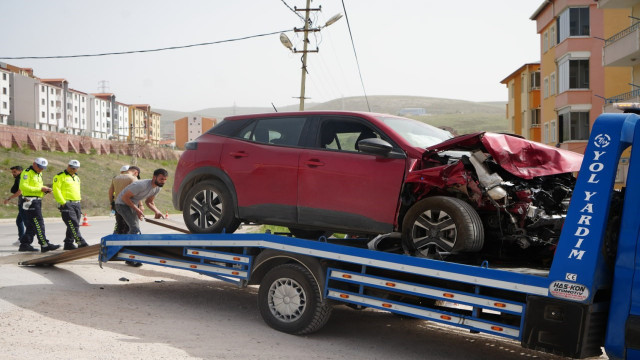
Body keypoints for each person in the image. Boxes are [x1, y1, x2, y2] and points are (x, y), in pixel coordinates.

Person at [18, 157, 60, 252]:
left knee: (32, 225)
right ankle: (44, 244)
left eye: (43, 168)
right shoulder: (27, 172)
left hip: (36, 200)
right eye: (40, 167)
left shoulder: (39, 173)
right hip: (29, 200)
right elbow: (23, 187)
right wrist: (40, 189)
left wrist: (45, 190)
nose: (41, 169)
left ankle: (25, 244)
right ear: (34, 164)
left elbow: (37, 187)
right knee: (39, 222)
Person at [115, 168, 168, 235]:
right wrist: (137, 209)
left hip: (132, 204)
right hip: (121, 204)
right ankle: (128, 244)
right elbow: (125, 198)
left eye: (165, 179)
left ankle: (125, 240)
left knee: (135, 228)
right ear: (154, 177)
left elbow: (149, 202)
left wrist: (157, 211)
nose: (163, 181)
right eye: (161, 179)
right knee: (134, 228)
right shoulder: (141, 185)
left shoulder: (158, 188)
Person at [52, 160, 89, 250]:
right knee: (73, 224)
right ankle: (80, 241)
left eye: (75, 168)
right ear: (68, 166)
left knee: (72, 225)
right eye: (71, 167)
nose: (73, 169)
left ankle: (68, 243)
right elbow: (56, 190)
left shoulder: (76, 177)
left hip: (77, 203)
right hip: (67, 203)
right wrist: (62, 202)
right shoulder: (60, 176)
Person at [108, 165, 141, 234]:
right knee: (131, 226)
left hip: (117, 205)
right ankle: (129, 242)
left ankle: (115, 241)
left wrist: (111, 203)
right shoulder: (133, 178)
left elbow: (110, 192)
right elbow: (137, 193)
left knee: (119, 225)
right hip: (129, 205)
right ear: (136, 173)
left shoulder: (115, 178)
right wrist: (140, 205)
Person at [4, 165, 27, 246]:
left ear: (20, 171)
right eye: (12, 172)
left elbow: (20, 191)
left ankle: (24, 240)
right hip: (23, 202)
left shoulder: (21, 178)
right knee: (20, 221)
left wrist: (9, 198)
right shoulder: (20, 178)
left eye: (14, 172)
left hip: (24, 203)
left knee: (26, 222)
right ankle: (22, 239)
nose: (13, 174)